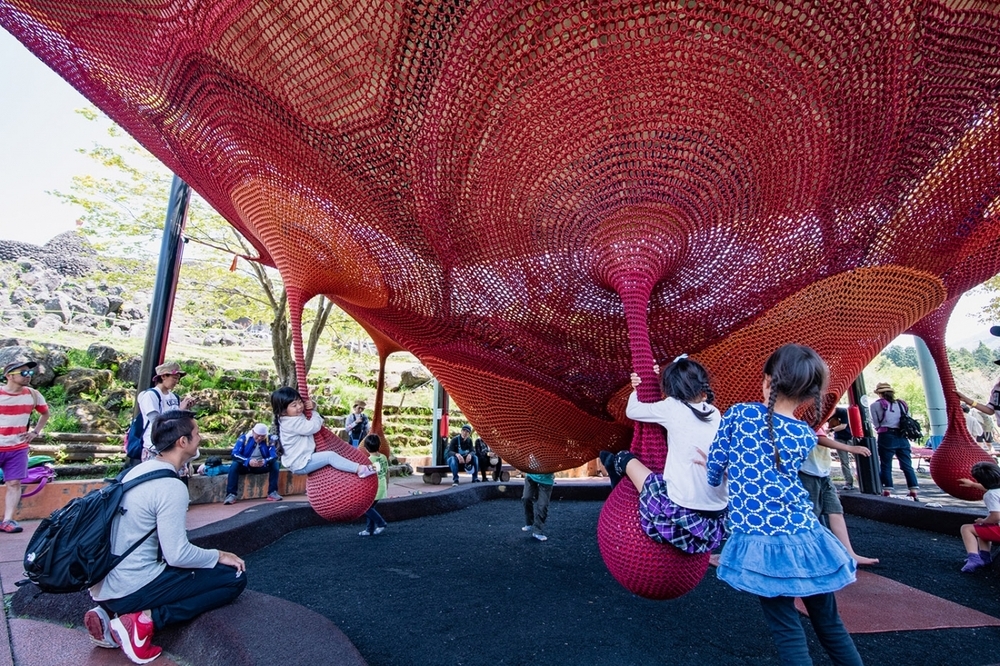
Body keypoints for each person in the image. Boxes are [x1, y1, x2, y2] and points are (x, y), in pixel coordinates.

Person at [707, 344, 862, 666]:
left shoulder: (740, 414)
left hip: (764, 540)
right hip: (807, 534)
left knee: (786, 628)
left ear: (767, 381)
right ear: (810, 393)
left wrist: (710, 468)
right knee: (830, 623)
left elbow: (714, 472)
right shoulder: (804, 433)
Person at [85, 410, 247, 664]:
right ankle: (145, 620)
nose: (200, 438)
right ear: (183, 442)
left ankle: (106, 614)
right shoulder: (171, 486)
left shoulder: (136, 471)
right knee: (233, 578)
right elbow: (177, 554)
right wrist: (220, 555)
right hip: (131, 586)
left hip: (103, 584)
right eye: (196, 433)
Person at [599, 355, 727, 555]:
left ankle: (617, 475)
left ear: (670, 390)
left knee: (624, 458)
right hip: (716, 518)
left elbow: (632, 411)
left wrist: (637, 389)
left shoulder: (672, 407)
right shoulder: (715, 412)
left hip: (679, 512)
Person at [808, 426, 879, 566]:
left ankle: (849, 553)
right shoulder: (806, 414)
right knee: (812, 514)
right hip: (808, 472)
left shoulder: (818, 417)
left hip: (822, 472)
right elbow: (818, 438)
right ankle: (811, 553)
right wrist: (851, 448)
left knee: (835, 510)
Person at [271, 387, 375, 478]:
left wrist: (312, 406)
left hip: (301, 460)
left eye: (300, 402)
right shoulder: (291, 422)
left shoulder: (291, 416)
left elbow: (307, 414)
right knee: (330, 456)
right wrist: (314, 412)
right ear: (283, 411)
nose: (299, 406)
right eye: (294, 405)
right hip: (300, 463)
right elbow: (314, 426)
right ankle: (360, 470)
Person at [0, 355, 49, 533]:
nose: (28, 376)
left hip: (17, 448)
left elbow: (45, 414)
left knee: (14, 483)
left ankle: (8, 520)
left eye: (30, 372)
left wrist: (35, 432)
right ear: (9, 376)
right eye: (24, 372)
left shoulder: (33, 395)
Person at [137, 362, 195, 481]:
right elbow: (157, 422)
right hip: (155, 447)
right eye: (174, 378)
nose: (176, 382)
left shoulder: (174, 397)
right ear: (163, 376)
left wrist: (185, 410)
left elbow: (178, 421)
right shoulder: (150, 395)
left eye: (178, 379)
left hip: (175, 446)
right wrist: (180, 410)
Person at [869, 382, 919, 501]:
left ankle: (887, 489)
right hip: (902, 436)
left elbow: (876, 423)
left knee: (886, 464)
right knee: (907, 464)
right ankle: (913, 490)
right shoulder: (902, 404)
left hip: (886, 435)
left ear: (879, 393)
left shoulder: (875, 405)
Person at [956, 461, 1000, 573]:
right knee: (981, 529)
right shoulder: (995, 491)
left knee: (967, 528)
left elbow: (996, 516)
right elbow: (992, 487)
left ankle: (974, 559)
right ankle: (984, 557)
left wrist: (983, 521)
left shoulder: (990, 495)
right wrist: (972, 484)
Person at [224, 423, 282, 505]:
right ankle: (231, 494)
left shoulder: (269, 440)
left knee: (275, 464)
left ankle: (272, 492)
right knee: (234, 465)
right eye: (258, 436)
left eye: (262, 436)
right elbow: (235, 454)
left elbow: (273, 455)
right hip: (246, 466)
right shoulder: (244, 438)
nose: (259, 438)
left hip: (261, 466)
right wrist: (248, 461)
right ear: (253, 432)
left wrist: (265, 461)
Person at [360, 434, 388, 536]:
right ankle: (369, 529)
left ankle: (381, 523)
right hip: (382, 486)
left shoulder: (369, 460)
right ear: (379, 445)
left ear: (366, 448)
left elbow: (366, 475)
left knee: (364, 507)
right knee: (371, 508)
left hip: (374, 489)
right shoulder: (383, 457)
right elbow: (386, 472)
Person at [827, 408, 856, 491]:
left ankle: (861, 477)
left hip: (850, 437)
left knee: (858, 459)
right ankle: (849, 482)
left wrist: (830, 430)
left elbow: (843, 426)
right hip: (839, 438)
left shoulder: (843, 412)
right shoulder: (827, 413)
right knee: (844, 461)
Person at [521, 472, 554, 541]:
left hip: (546, 479)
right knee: (526, 498)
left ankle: (537, 531)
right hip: (531, 475)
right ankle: (529, 522)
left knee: (543, 505)